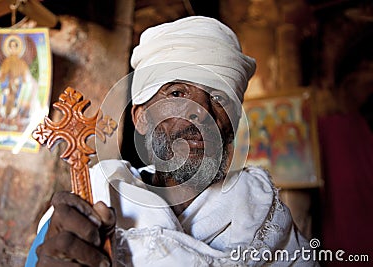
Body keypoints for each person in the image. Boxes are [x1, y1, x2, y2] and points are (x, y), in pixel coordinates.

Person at [25, 16, 318, 266]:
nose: (201, 113)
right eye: (177, 93)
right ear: (141, 118)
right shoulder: (95, 198)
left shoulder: (262, 211)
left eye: (219, 99)